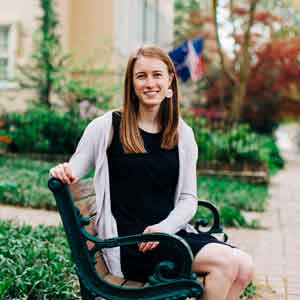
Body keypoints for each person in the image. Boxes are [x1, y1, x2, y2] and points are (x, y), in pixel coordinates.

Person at [49, 45, 254, 300]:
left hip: (168, 235)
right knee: (225, 264)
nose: (150, 83)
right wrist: (63, 170)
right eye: (141, 76)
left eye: (157, 75)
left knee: (244, 267)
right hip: (130, 245)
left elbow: (188, 199)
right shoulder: (106, 127)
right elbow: (75, 167)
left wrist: (164, 228)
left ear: (170, 81)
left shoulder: (182, 133)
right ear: (131, 84)